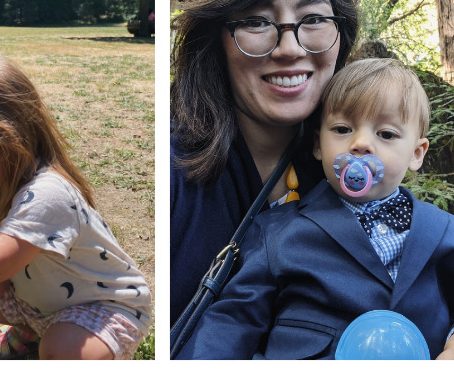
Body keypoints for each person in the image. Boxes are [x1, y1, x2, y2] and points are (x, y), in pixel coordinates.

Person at [176, 58, 454, 359]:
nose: (361, 143)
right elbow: (233, 321)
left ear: (416, 153)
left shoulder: (444, 231)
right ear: (319, 144)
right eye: (343, 129)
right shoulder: (279, 231)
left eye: (386, 134)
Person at [170, 0, 360, 326]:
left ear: (340, 35)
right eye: (257, 20)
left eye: (314, 19)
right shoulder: (174, 170)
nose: (289, 48)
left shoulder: (360, 167)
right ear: (216, 38)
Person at [0, 56, 151, 360]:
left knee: (61, 351)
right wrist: (3, 285)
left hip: (105, 309)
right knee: (14, 329)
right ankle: (38, 331)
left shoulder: (47, 194)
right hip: (51, 306)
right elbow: (12, 262)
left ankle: (57, 339)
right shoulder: (0, 188)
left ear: (7, 135)